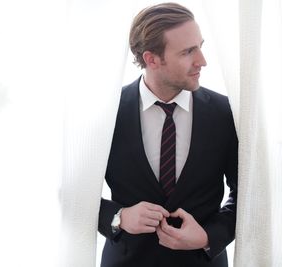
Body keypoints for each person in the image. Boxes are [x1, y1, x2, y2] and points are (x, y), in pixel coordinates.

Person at [98, 3, 238, 267]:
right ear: (151, 59)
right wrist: (119, 217)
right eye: (188, 52)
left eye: (200, 46)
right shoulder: (105, 113)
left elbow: (248, 194)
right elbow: (74, 192)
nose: (202, 61)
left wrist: (208, 236)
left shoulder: (226, 112)